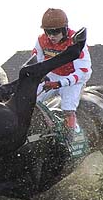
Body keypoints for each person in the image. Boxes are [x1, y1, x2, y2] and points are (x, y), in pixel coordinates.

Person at [34, 8, 92, 136]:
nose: (51, 36)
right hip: (52, 76)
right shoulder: (41, 40)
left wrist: (60, 83)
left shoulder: (75, 41)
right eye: (48, 32)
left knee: (67, 107)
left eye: (55, 32)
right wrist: (41, 77)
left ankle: (70, 137)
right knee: (29, 99)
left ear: (65, 29)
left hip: (73, 78)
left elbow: (84, 71)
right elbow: (37, 63)